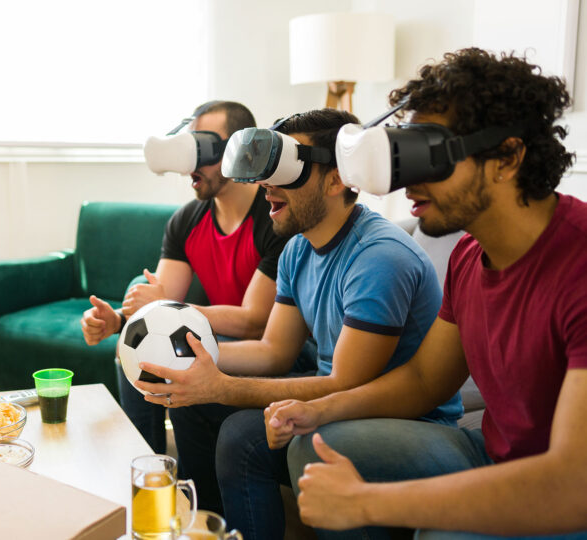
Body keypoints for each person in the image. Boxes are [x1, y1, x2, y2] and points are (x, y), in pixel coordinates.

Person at [267, 48, 587, 539]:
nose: (407, 181)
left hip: (563, 489)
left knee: (439, 534)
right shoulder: (467, 256)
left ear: (507, 157)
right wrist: (318, 409)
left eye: (428, 155)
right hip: (489, 451)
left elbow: (571, 486)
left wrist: (365, 502)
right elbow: (422, 380)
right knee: (316, 445)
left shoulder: (578, 266)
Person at [135, 108, 463, 533]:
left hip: (401, 417)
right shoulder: (296, 249)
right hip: (339, 394)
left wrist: (224, 386)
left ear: (336, 178)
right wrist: (197, 360)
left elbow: (346, 383)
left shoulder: (379, 257)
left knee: (241, 436)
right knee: (194, 397)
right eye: (265, 171)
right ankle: (207, 525)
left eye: (286, 170)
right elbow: (274, 353)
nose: (266, 186)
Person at [80, 100, 290, 454]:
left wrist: (166, 305)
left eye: (202, 148)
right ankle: (147, 465)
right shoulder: (186, 221)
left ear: (239, 150)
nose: (190, 166)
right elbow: (158, 311)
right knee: (131, 349)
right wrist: (117, 322)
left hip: (269, 346)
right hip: (218, 333)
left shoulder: (273, 218)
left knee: (177, 351)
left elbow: (256, 322)